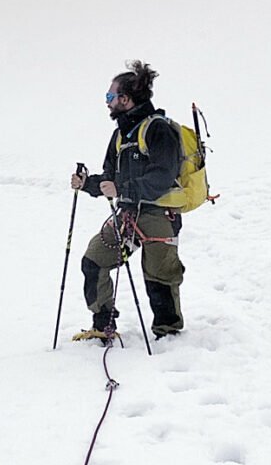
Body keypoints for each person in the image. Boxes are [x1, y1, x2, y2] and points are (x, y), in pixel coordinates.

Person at [69, 61, 187, 343]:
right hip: (127, 214)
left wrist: (121, 187)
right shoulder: (121, 134)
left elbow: (162, 176)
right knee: (94, 260)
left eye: (111, 97)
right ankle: (103, 323)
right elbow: (110, 177)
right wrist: (88, 184)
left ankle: (168, 334)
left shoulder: (158, 129)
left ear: (126, 99)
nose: (107, 103)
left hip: (160, 215)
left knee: (159, 275)